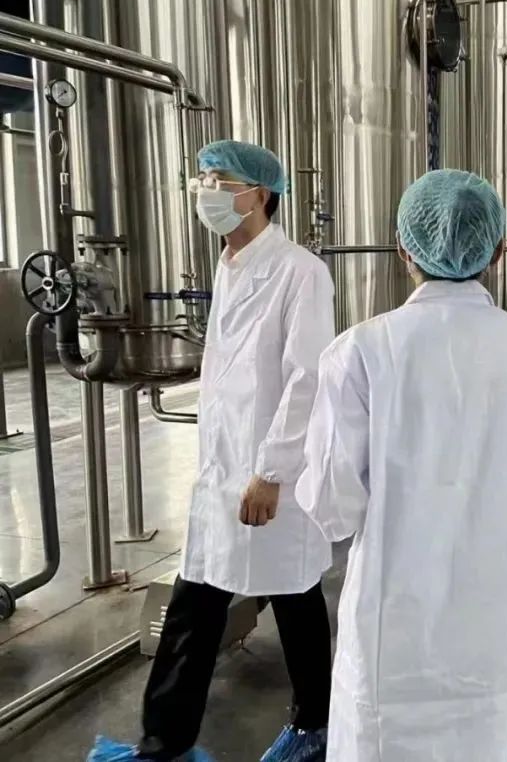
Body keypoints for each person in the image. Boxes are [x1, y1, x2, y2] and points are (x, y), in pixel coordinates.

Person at [294, 169, 507, 762]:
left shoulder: (359, 351)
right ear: (499, 251)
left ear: (403, 249)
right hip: (501, 612)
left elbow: (333, 505)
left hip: (394, 619)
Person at [89, 141, 335, 762]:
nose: (205, 190)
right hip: (222, 467)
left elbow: (306, 377)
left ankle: (314, 726)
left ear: (259, 194)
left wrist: (272, 471)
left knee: (295, 595)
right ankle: (164, 742)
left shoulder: (300, 271)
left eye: (219, 179)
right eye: (201, 178)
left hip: (269, 472)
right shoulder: (230, 264)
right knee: (197, 600)